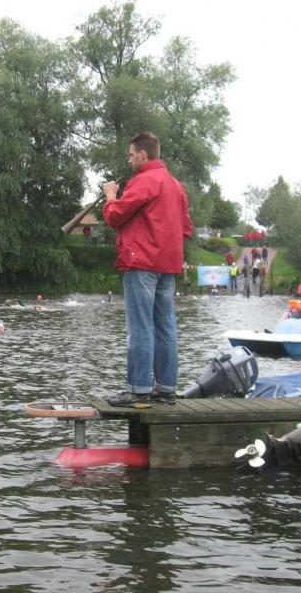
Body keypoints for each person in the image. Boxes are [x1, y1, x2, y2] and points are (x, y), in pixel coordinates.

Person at [101, 131, 193, 407]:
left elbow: (115, 215)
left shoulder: (144, 181)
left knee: (140, 327)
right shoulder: (176, 186)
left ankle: (138, 390)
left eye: (131, 155)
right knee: (165, 326)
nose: (129, 160)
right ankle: (166, 389)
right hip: (168, 265)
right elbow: (186, 228)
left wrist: (110, 196)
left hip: (141, 263)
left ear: (143, 153)